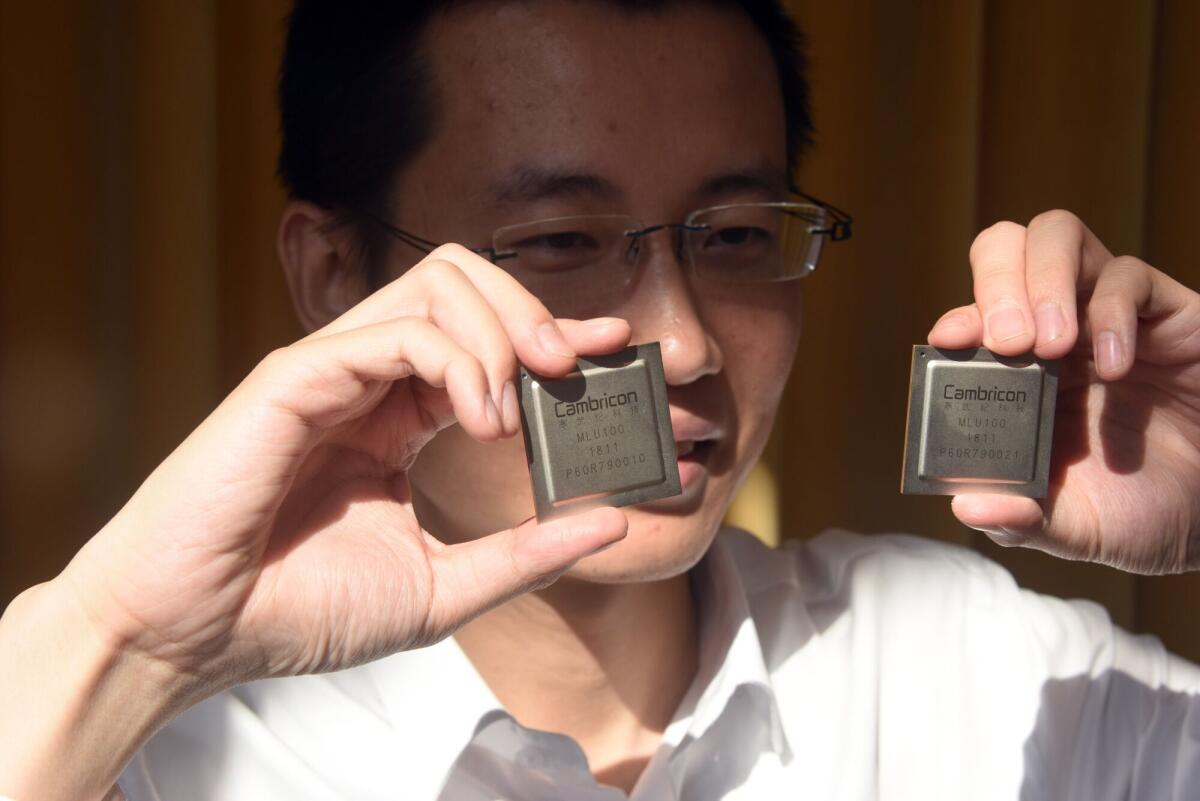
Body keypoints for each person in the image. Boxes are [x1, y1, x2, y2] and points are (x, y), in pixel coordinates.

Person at [3, 0, 1199, 798]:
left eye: (735, 234)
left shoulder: (982, 673)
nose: (680, 342)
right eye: (561, 238)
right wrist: (122, 647)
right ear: (333, 273)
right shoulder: (154, 757)